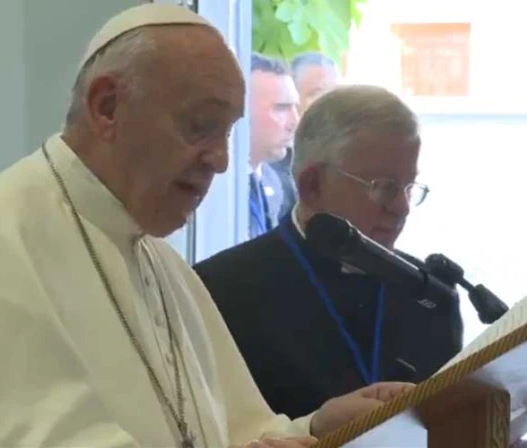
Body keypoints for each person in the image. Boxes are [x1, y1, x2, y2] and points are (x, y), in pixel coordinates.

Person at [0, 5, 414, 448]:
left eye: (227, 133)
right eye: (199, 127)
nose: (220, 161)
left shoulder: (162, 263)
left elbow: (231, 434)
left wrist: (315, 429)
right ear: (106, 106)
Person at [194, 85, 464, 420]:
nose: (402, 208)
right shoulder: (217, 290)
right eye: (384, 187)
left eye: (409, 188)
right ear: (312, 185)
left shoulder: (430, 294)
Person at [266, 52, 341, 224]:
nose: (328, 102)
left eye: (334, 93)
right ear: (291, 96)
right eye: (316, 93)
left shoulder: (343, 159)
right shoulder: (273, 163)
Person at [249, 53, 300, 238]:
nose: (295, 122)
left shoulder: (272, 181)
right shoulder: (216, 185)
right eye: (281, 108)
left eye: (295, 108)